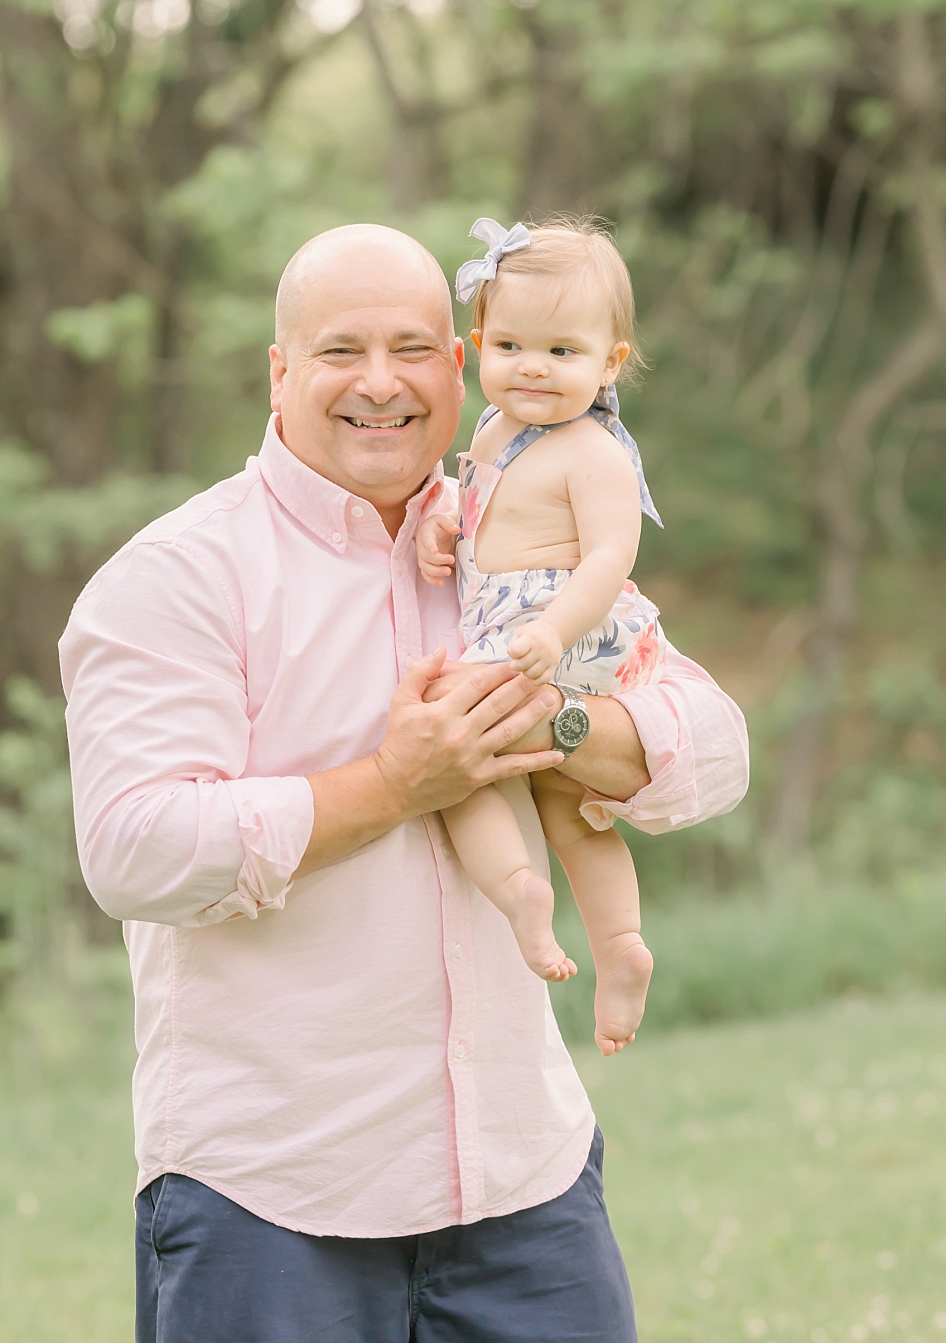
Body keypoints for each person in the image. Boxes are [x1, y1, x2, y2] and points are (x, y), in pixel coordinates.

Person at [58, 224, 749, 1342]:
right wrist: (393, 781)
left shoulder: (510, 540)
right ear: (278, 372)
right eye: (339, 350)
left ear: (455, 361)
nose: (379, 383)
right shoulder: (175, 577)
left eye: (412, 347)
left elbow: (714, 750)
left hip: (526, 1189)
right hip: (269, 1201)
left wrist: (558, 723)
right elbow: (135, 849)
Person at [411, 217, 666, 1055]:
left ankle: (521, 892)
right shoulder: (489, 431)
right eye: (513, 344)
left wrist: (555, 631)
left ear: (609, 363)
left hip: (568, 626)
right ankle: (621, 944)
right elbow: (477, 506)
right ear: (479, 342)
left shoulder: (593, 451)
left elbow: (610, 557)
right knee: (571, 801)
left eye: (562, 352)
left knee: (457, 752)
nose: (533, 367)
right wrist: (443, 527)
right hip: (520, 624)